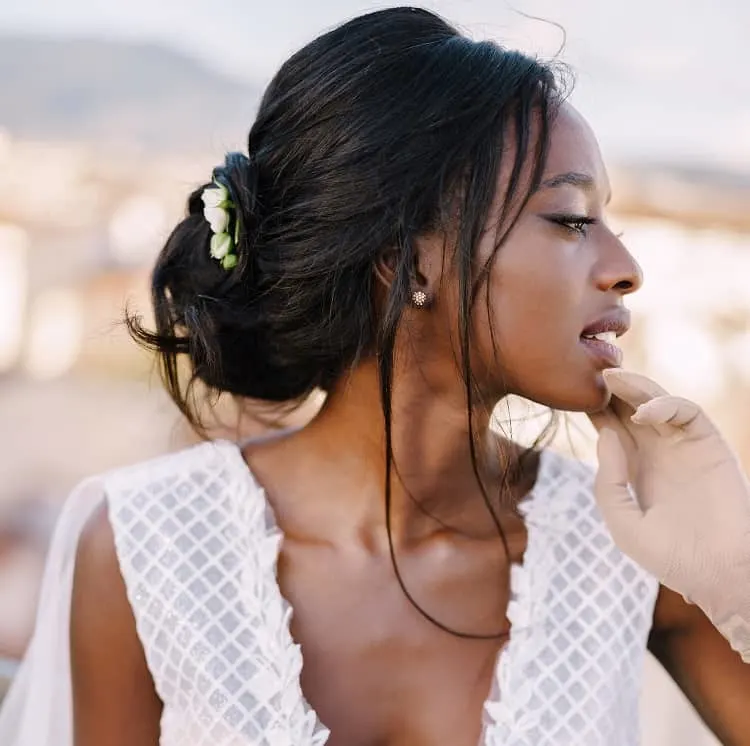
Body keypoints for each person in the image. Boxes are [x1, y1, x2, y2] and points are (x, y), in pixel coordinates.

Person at [1, 7, 749, 746]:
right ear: (404, 254)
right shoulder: (144, 546)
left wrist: (738, 572)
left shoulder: (641, 551)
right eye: (571, 220)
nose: (626, 269)